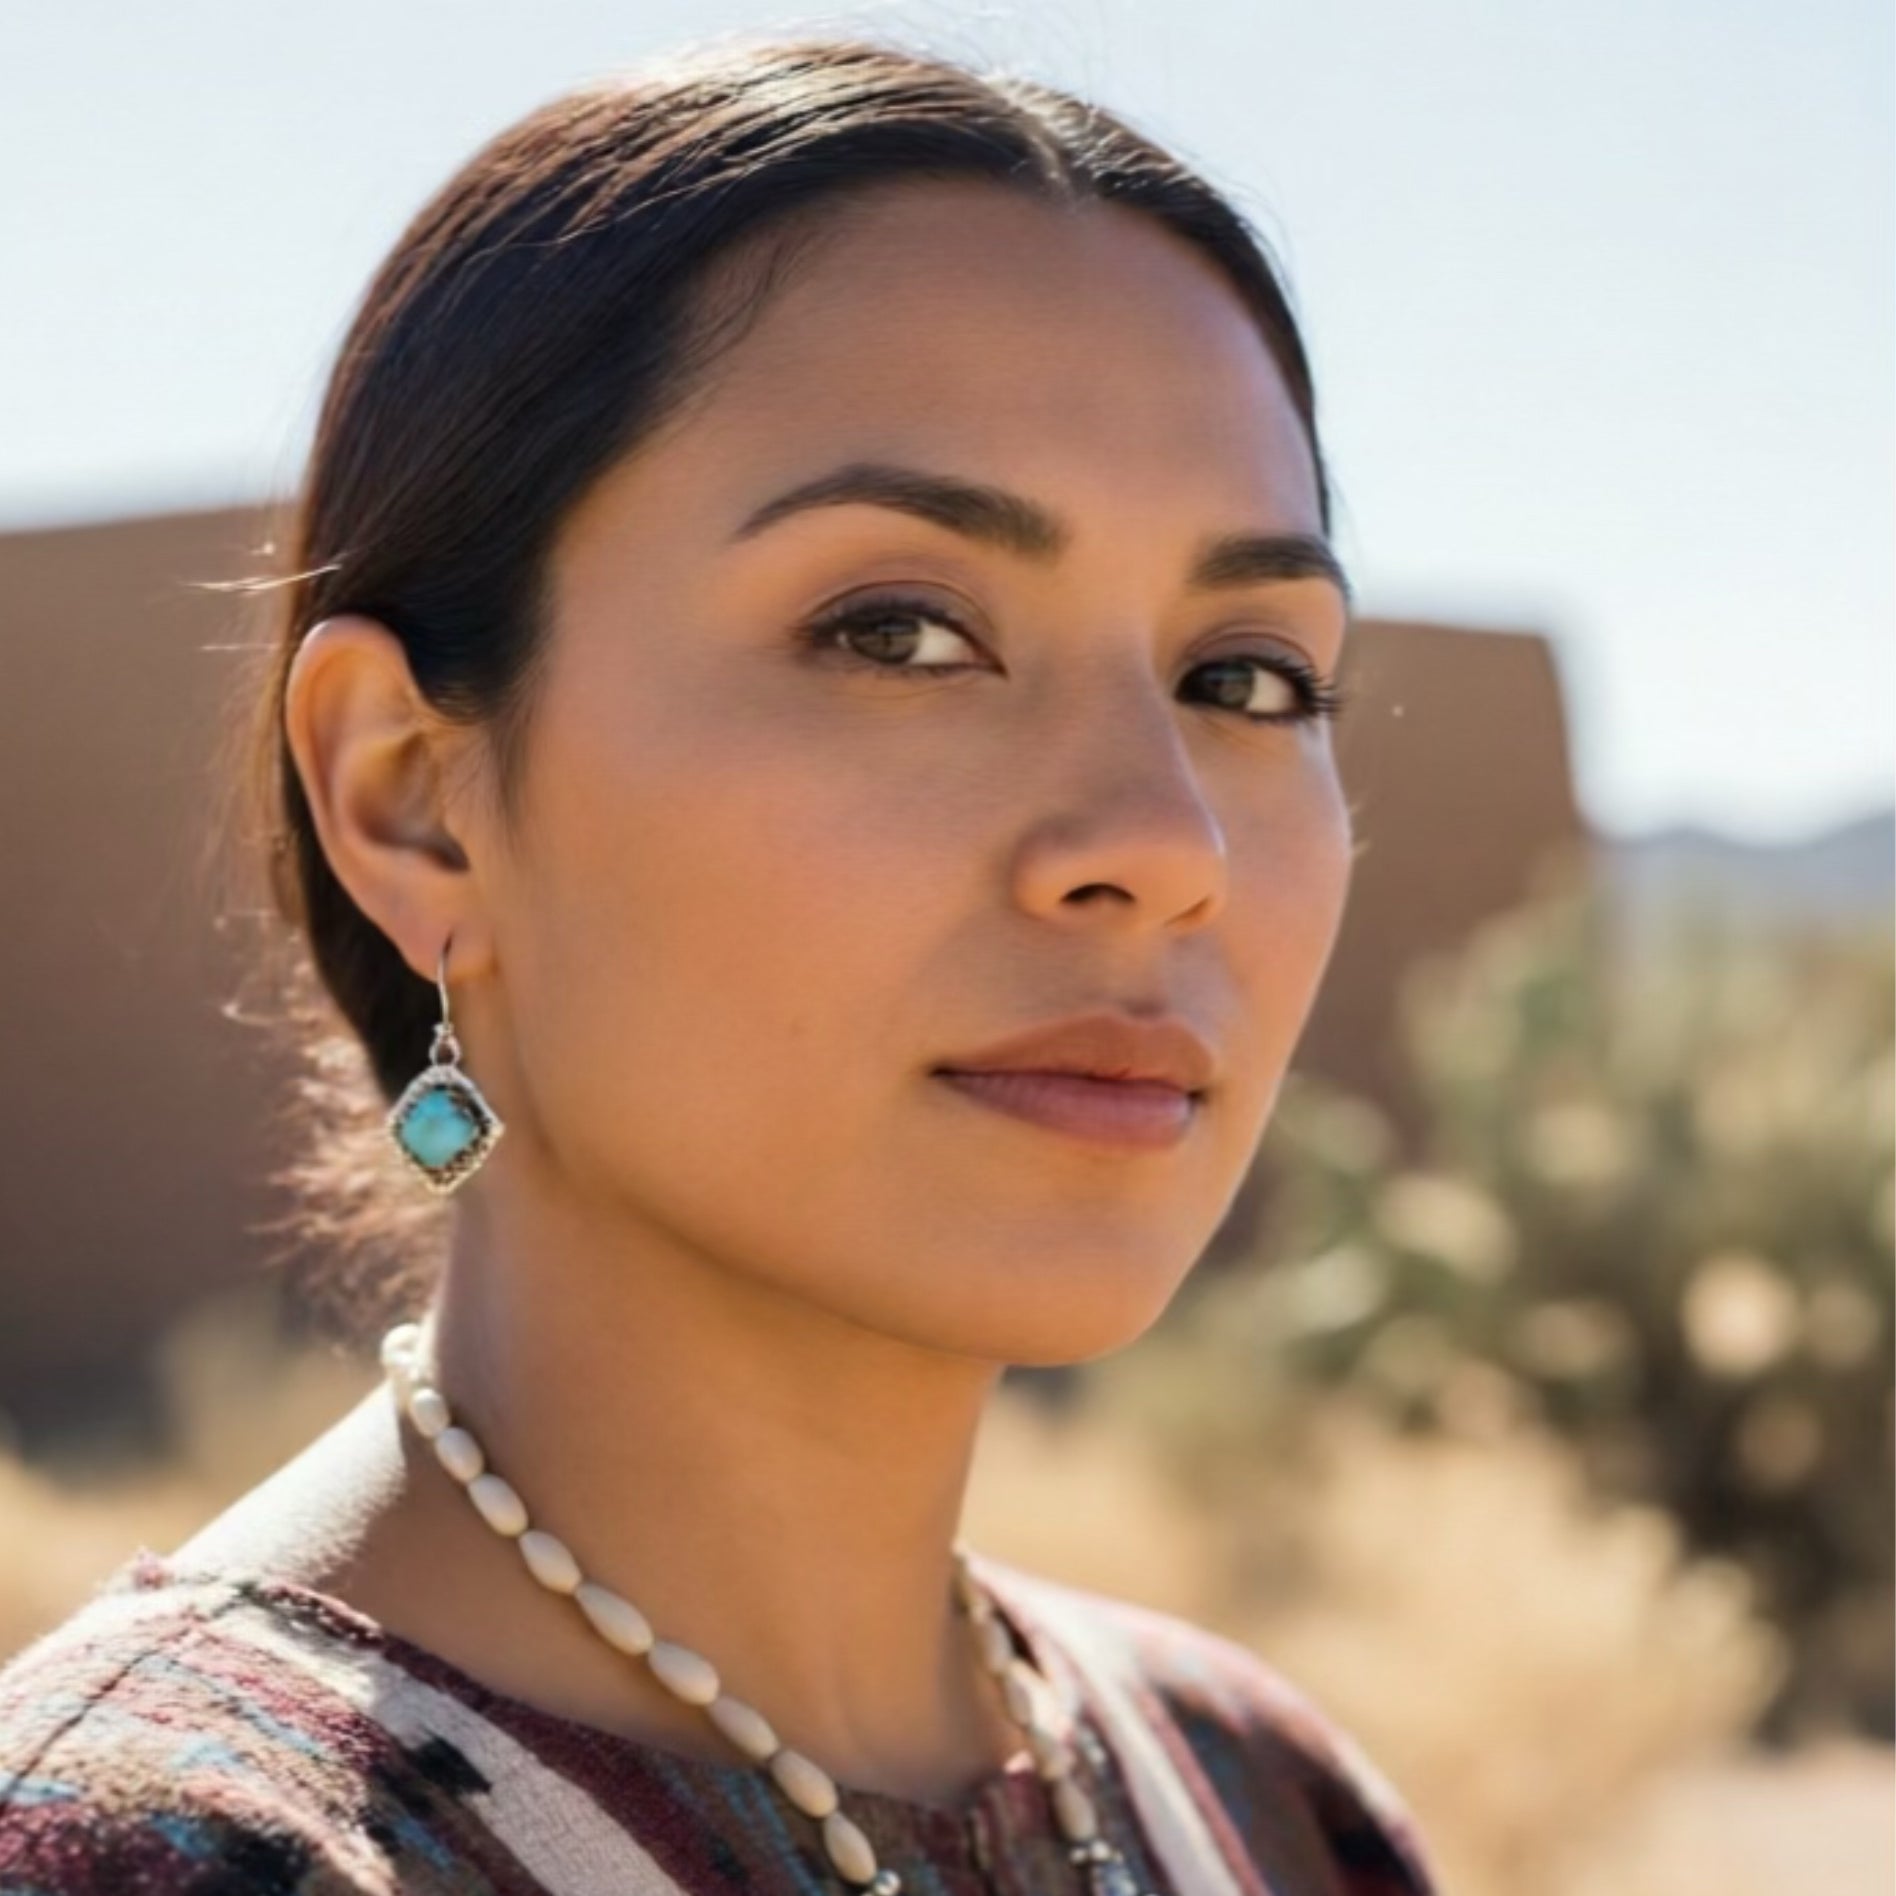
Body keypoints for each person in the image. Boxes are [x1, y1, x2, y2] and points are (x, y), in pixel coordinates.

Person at [0, 32, 1441, 1896]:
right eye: (900, 631)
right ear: (419, 797)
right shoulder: (171, 1860)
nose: (1166, 846)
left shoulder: (1255, 1803)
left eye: (1247, 676)